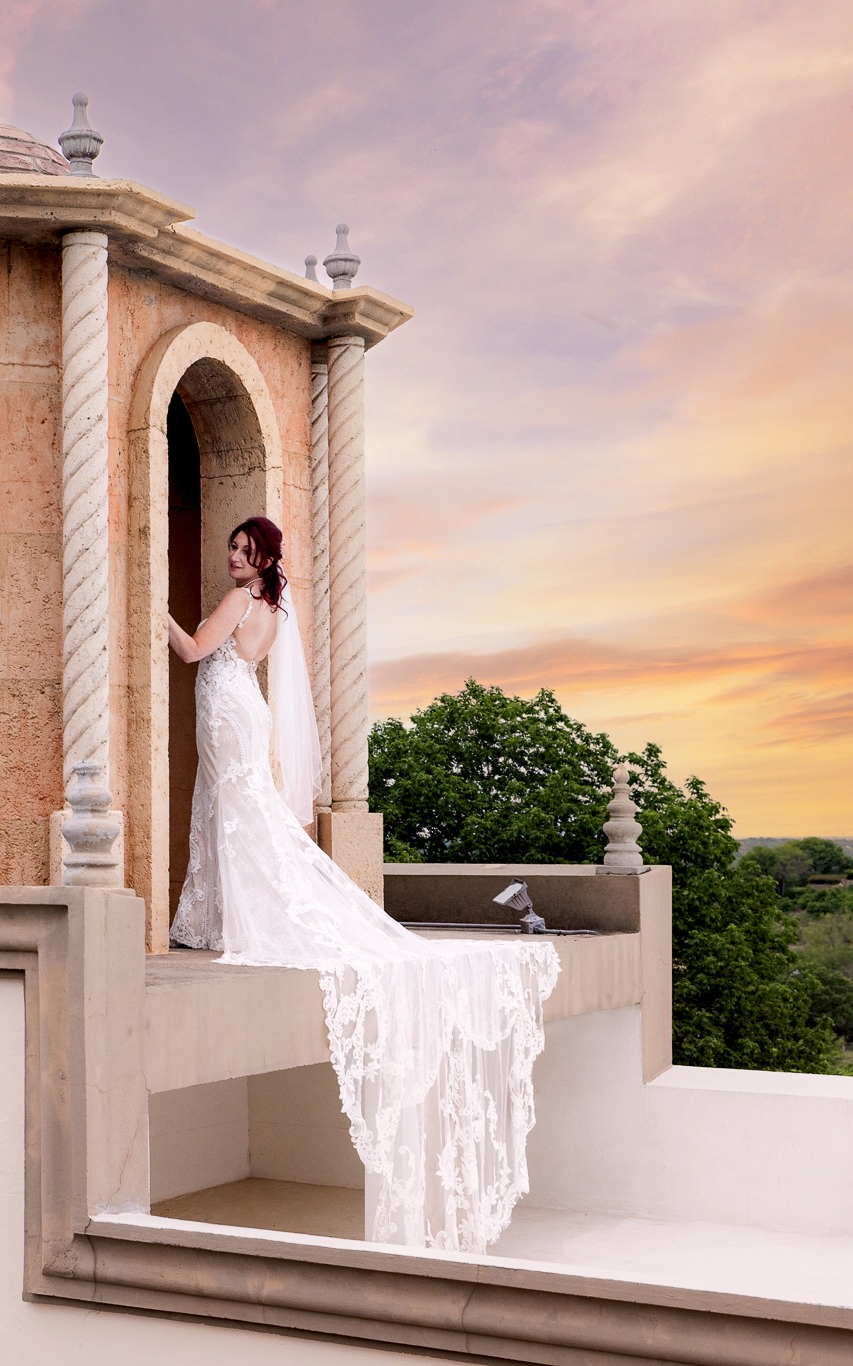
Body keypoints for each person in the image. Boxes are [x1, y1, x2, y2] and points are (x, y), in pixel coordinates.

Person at [167, 515, 559, 1253]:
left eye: (243, 551)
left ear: (261, 560)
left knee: (235, 815)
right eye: (232, 548)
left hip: (224, 709)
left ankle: (231, 919)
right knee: (239, 814)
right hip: (243, 712)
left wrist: (149, 608)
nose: (231, 558)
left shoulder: (238, 604)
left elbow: (192, 652)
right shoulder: (278, 612)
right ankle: (216, 918)